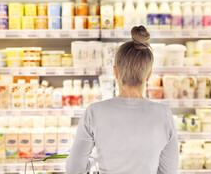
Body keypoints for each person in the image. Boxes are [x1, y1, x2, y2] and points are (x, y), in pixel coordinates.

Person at [66, 26, 179, 174]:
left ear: (115, 71)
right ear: (149, 74)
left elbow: (74, 169)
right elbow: (168, 171)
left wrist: (96, 156)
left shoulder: (94, 112)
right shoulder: (163, 114)